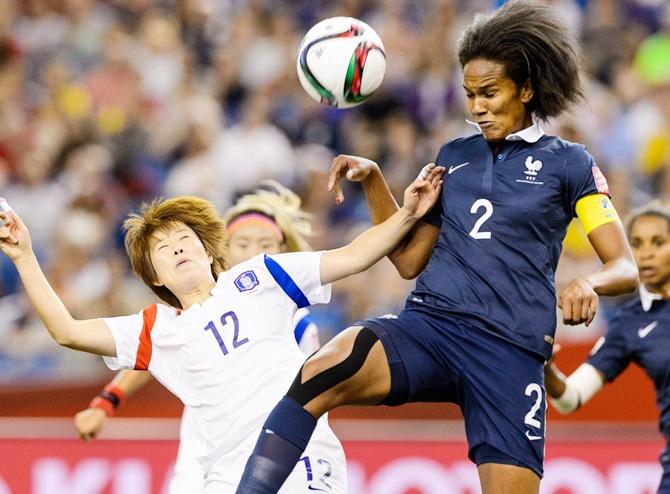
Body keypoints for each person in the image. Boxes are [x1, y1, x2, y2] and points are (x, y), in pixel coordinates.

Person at [234, 2, 639, 493]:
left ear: (527, 89)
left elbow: (622, 265)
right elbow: (408, 261)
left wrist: (587, 281)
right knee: (324, 367)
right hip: (433, 326)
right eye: (469, 94)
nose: (477, 107)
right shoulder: (455, 156)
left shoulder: (570, 163)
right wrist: (376, 182)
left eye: (490, 93)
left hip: (509, 352)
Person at [0, 163, 444, 493]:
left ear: (211, 250)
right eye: (162, 248)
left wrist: (406, 215)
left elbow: (354, 255)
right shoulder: (158, 329)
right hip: (226, 476)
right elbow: (66, 330)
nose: (177, 249)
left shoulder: (263, 278)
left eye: (184, 239)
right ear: (154, 277)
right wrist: (23, 255)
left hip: (303, 459)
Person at [72, 182, 321, 494]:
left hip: (271, 444)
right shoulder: (192, 309)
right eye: (242, 243)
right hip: (206, 447)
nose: (253, 253)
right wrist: (109, 400)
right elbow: (151, 354)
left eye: (265, 245)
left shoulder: (293, 320)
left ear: (283, 252)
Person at [545, 203, 670, 493]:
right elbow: (570, 399)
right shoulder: (630, 323)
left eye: (659, 242)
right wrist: (547, 368)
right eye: (636, 244)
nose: (646, 253)